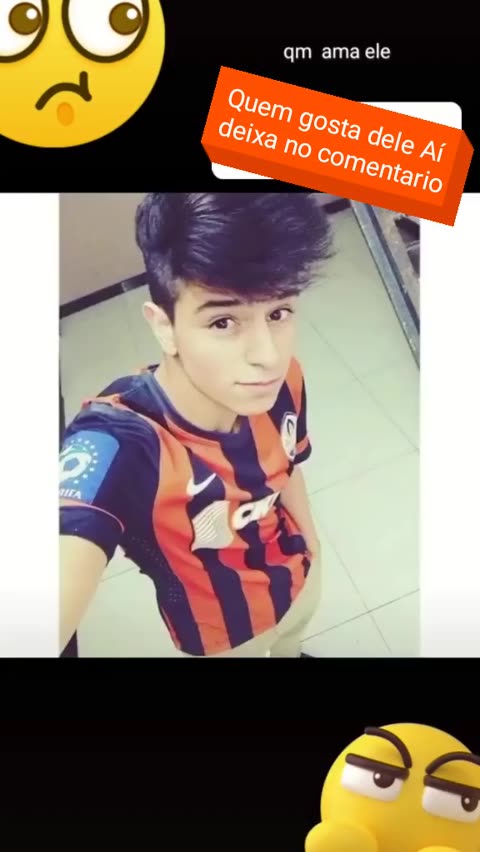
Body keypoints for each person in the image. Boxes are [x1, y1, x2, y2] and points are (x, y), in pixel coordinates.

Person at [59, 192, 332, 657]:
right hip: (221, 636)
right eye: (223, 321)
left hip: (298, 580)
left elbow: (288, 467)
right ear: (164, 327)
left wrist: (312, 544)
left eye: (278, 313)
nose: (267, 355)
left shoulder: (283, 381)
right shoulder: (123, 442)